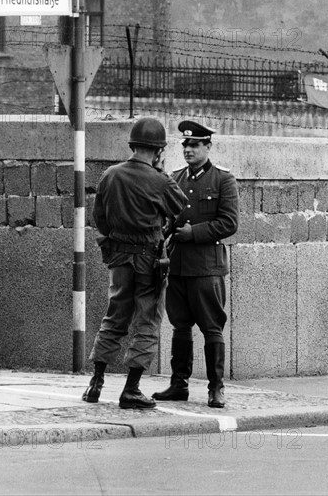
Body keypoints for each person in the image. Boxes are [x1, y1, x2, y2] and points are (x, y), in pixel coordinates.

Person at [82, 117, 188, 409]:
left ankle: (96, 383)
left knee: (114, 317)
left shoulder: (110, 175)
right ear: (158, 151)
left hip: (119, 258)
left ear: (132, 145)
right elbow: (178, 208)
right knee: (147, 321)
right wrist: (159, 171)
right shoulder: (160, 180)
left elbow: (99, 218)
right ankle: (131, 389)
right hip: (149, 261)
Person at [152, 120, 238, 408]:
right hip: (177, 265)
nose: (188, 149)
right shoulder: (175, 178)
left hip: (206, 267)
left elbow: (229, 223)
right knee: (180, 325)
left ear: (208, 147)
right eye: (185, 145)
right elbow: (167, 217)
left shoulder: (223, 180)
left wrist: (194, 233)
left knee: (212, 326)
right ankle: (179, 384)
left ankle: (216, 388)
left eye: (195, 144)